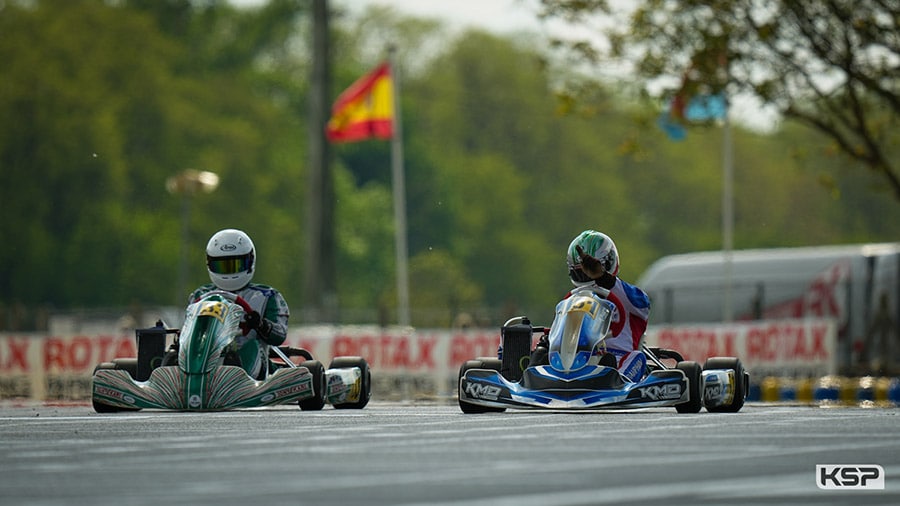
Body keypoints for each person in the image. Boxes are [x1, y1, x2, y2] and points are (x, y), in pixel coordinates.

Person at [532, 230, 651, 382]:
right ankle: (531, 380)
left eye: (591, 269)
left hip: (615, 361)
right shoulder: (570, 299)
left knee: (635, 357)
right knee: (542, 349)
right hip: (575, 360)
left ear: (607, 263)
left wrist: (602, 277)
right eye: (581, 272)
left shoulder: (626, 295)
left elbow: (644, 303)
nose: (587, 276)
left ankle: (619, 384)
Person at [188, 228, 289, 380]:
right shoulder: (200, 295)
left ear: (250, 261)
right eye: (222, 266)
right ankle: (179, 379)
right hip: (206, 354)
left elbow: (279, 336)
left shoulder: (267, 296)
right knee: (174, 353)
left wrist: (260, 324)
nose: (229, 272)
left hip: (247, 358)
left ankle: (237, 379)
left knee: (251, 346)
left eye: (236, 265)